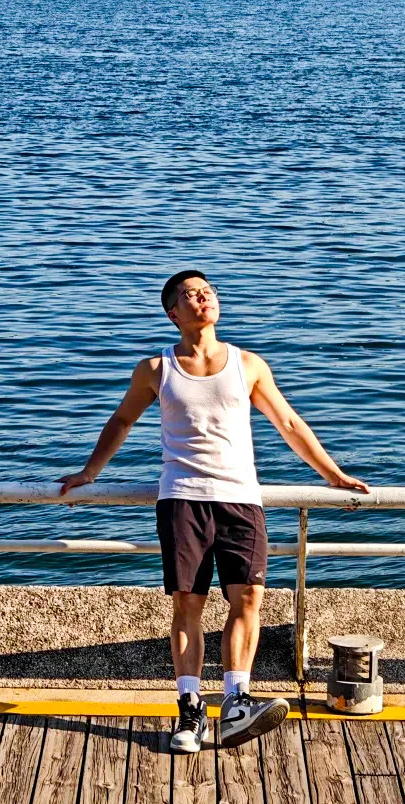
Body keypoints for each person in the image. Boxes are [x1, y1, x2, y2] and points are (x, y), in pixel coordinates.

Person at [59, 269, 370, 754]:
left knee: (249, 597)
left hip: (240, 496)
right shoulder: (156, 368)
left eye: (208, 292)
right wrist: (89, 472)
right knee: (188, 603)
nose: (203, 298)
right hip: (182, 497)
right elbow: (122, 420)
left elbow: (288, 422)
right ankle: (189, 710)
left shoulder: (248, 365)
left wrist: (333, 475)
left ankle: (236, 700)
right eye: (191, 294)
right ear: (173, 313)